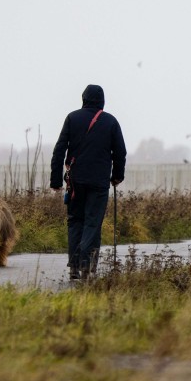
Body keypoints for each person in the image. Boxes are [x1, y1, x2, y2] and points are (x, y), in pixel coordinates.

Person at [51, 84, 126, 279]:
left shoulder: (72, 118)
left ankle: (74, 267)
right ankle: (86, 265)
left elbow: (59, 149)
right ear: (102, 101)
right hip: (99, 182)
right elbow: (120, 152)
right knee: (92, 222)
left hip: (75, 181)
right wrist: (117, 176)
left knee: (75, 221)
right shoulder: (111, 122)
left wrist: (55, 181)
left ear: (83, 99)